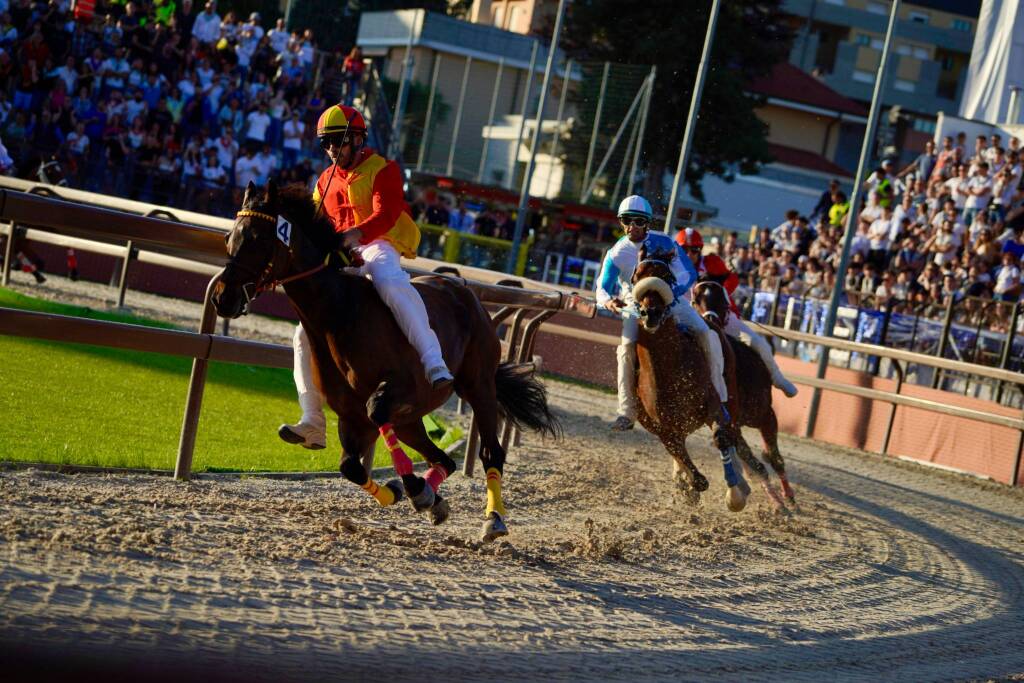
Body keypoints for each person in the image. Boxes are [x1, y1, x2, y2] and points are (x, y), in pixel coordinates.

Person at [279, 104, 454, 448]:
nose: (331, 150)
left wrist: (355, 235)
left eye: (337, 142)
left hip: (378, 246)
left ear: (358, 139)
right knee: (302, 334)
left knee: (388, 282)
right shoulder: (323, 181)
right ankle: (312, 420)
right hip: (344, 257)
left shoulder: (384, 168)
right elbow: (316, 225)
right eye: (326, 144)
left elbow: (386, 214)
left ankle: (434, 361)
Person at [595, 195, 728, 431]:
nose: (631, 226)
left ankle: (718, 398)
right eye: (626, 220)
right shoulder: (616, 253)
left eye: (637, 221)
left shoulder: (666, 243)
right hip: (634, 307)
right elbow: (601, 288)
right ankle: (626, 412)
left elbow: (688, 273)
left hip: (671, 300)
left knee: (705, 333)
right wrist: (608, 302)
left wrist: (669, 292)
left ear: (647, 222)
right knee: (625, 349)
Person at [677, 227, 799, 398]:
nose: (690, 254)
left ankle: (777, 377)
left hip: (723, 318)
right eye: (684, 249)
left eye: (694, 249)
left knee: (759, 343)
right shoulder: (671, 267)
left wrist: (720, 292)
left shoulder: (712, 262)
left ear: (700, 250)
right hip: (688, 321)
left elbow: (732, 278)